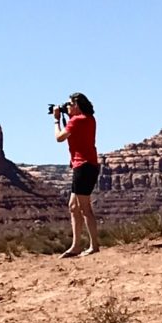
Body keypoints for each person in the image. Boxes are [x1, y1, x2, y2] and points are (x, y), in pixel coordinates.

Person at [53, 92, 101, 258]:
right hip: (86, 166)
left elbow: (59, 137)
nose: (68, 107)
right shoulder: (88, 118)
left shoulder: (77, 120)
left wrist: (57, 120)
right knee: (73, 207)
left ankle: (93, 246)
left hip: (84, 167)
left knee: (85, 208)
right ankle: (76, 246)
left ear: (77, 105)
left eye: (70, 104)